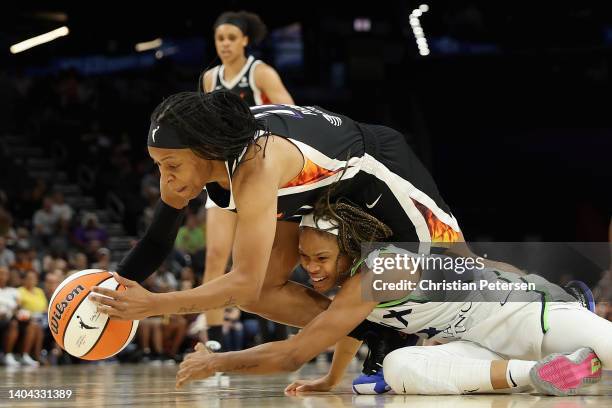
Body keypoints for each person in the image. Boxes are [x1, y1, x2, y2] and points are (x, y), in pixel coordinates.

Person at [89, 91, 463, 380]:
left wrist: (154, 305)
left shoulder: (256, 167)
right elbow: (156, 243)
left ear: (206, 150)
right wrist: (106, 294)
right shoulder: (206, 162)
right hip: (316, 194)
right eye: (157, 165)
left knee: (461, 276)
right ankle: (377, 334)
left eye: (170, 165)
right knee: (263, 291)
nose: (164, 179)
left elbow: (242, 284)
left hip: (379, 173)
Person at [175, 200, 610, 396]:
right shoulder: (354, 287)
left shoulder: (384, 267)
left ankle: (573, 344)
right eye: (304, 257)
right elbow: (345, 329)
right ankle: (544, 373)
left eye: (321, 257)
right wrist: (330, 380)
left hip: (533, 315)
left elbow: (293, 353)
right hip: (483, 346)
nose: (310, 268)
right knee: (401, 367)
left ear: (350, 247)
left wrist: (216, 361)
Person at [201, 10, 294, 347]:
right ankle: (213, 343)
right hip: (222, 175)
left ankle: (279, 330)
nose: (224, 44)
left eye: (230, 38)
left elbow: (291, 114)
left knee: (261, 261)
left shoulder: (261, 73)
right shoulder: (210, 79)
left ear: (244, 41)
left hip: (256, 175)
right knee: (215, 257)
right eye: (219, 39)